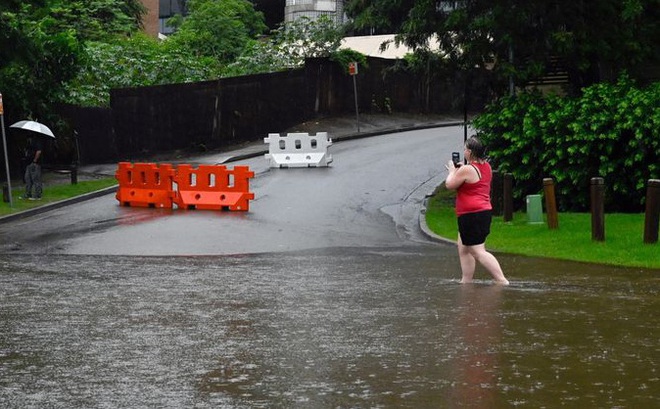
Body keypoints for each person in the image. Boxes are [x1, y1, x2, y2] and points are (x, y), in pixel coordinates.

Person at [445, 136, 509, 285]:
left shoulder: (467, 169)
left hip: (472, 214)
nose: (464, 151)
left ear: (471, 152)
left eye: (466, 149)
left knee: (477, 251)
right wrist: (460, 170)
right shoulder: (486, 166)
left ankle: (502, 280)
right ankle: (466, 280)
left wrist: (452, 171)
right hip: (482, 213)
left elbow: (450, 184)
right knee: (463, 247)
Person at [23, 136, 43, 200]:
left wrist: (35, 160)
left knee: (36, 179)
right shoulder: (29, 143)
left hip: (35, 163)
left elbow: (39, 151)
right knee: (27, 178)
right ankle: (28, 193)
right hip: (28, 163)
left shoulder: (37, 142)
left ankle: (38, 194)